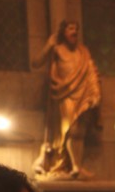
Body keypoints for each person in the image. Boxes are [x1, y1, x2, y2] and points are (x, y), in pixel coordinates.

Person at [31, 20, 101, 179]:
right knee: (69, 130)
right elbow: (36, 63)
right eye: (70, 29)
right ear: (63, 31)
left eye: (76, 29)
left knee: (80, 132)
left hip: (82, 94)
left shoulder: (83, 52)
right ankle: (69, 165)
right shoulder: (57, 49)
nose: (74, 32)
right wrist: (48, 45)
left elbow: (91, 72)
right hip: (64, 94)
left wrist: (95, 93)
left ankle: (77, 166)